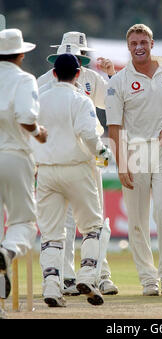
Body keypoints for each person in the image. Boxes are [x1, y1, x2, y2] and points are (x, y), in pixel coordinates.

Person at [106, 23, 162, 296]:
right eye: (134, 43)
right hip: (134, 152)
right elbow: (114, 127)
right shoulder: (118, 81)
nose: (139, 47)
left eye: (143, 42)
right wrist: (121, 164)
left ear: (152, 44)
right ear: (128, 47)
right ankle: (148, 279)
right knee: (137, 220)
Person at [37, 31, 118, 296]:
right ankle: (83, 275)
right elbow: (89, 133)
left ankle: (53, 284)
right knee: (93, 225)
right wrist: (104, 154)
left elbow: (28, 129)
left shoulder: (44, 94)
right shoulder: (77, 96)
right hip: (80, 165)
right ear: (76, 71)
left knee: (52, 231)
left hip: (48, 168)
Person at [0, 28, 47, 300]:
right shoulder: (23, 78)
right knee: (25, 223)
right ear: (20, 55)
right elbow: (26, 117)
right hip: (14, 155)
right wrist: (39, 132)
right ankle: (8, 251)